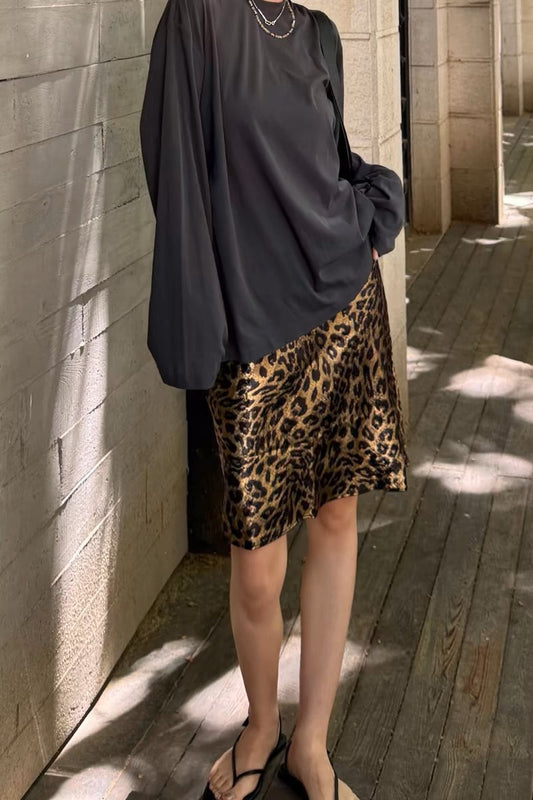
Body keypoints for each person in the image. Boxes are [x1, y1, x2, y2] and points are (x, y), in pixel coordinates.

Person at [139, 0, 409, 797]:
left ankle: (310, 743)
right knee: (256, 563)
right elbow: (173, 176)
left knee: (335, 518)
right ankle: (261, 725)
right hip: (252, 336)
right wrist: (204, 325)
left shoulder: (317, 32)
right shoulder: (197, 19)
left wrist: (363, 223)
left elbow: (332, 161)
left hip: (344, 311)